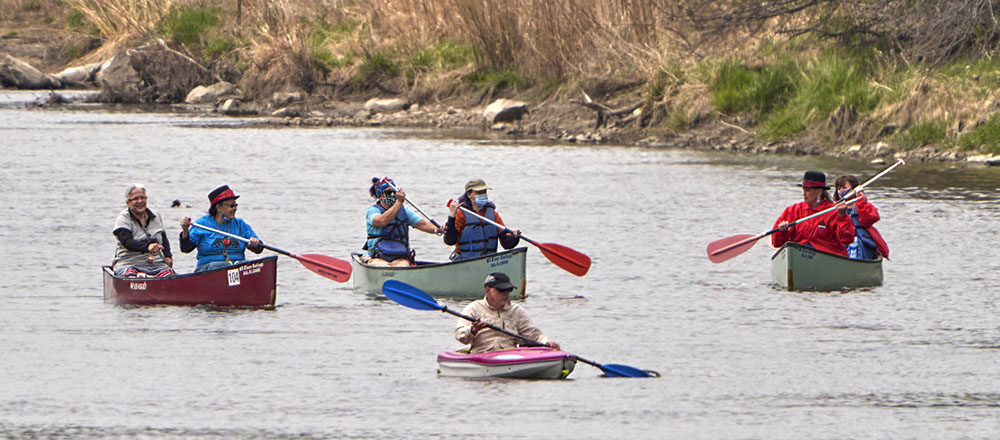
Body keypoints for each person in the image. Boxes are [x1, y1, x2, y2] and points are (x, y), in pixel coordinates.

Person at [454, 272, 560, 354]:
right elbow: (460, 336)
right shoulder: (473, 308)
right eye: (501, 291)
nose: (505, 294)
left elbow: (533, 335)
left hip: (510, 355)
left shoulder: (517, 311)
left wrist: (547, 343)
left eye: (508, 290)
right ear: (488, 289)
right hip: (482, 355)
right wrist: (473, 330)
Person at [179, 185, 263, 272]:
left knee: (250, 266)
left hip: (237, 266)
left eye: (236, 205)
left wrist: (254, 244)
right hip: (210, 269)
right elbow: (186, 248)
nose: (235, 208)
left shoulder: (240, 224)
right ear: (219, 207)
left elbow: (259, 248)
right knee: (217, 266)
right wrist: (185, 231)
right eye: (231, 206)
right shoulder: (202, 224)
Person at [772, 170, 856, 257]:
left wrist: (842, 216)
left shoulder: (834, 211)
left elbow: (847, 239)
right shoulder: (793, 210)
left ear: (819, 191)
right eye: (803, 190)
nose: (804, 194)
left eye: (808, 190)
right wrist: (782, 232)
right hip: (798, 256)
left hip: (827, 258)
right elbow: (776, 243)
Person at [362, 177, 441, 267]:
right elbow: (382, 221)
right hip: (376, 257)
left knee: (403, 266)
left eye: (394, 192)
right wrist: (399, 202)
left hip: (399, 257)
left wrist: (437, 230)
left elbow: (423, 224)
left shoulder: (404, 211)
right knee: (383, 266)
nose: (392, 195)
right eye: (388, 193)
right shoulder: (373, 211)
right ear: (380, 196)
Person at [443, 178, 520, 261]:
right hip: (466, 260)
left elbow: (506, 244)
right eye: (479, 192)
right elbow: (450, 241)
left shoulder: (492, 214)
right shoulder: (461, 214)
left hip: (489, 261)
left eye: (484, 192)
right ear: (469, 194)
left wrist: (514, 237)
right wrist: (452, 216)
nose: (483, 195)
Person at [111, 184, 175, 277]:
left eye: (143, 198)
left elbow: (163, 239)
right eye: (136, 199)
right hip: (128, 263)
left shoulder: (156, 216)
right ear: (128, 202)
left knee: (170, 275)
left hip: (156, 264)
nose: (140, 201)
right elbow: (127, 242)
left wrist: (168, 256)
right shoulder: (123, 219)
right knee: (131, 275)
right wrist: (148, 246)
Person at [834, 175, 890, 260]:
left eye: (844, 188)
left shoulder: (861, 204)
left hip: (860, 238)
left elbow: (871, 218)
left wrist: (862, 202)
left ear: (853, 189)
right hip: (841, 239)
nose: (841, 191)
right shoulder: (834, 206)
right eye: (839, 189)